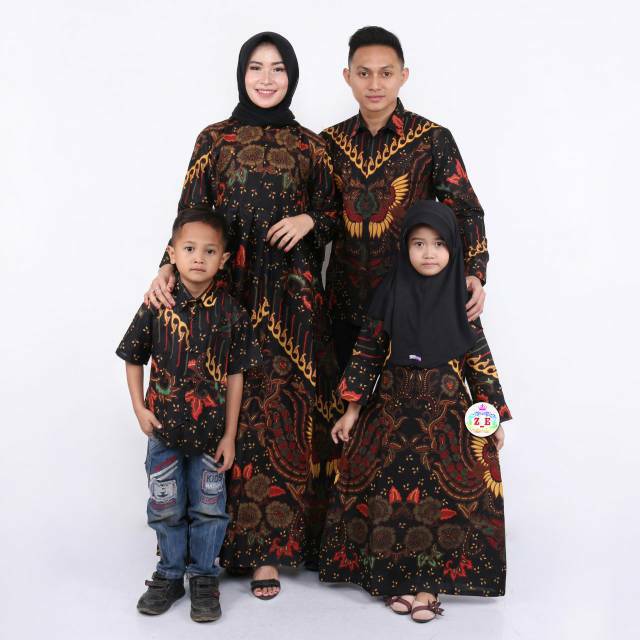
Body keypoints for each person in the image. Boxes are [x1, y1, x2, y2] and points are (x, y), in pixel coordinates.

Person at [143, 32, 338, 599]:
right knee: (217, 414)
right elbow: (190, 214)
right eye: (256, 67)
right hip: (220, 299)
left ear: (292, 77)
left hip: (290, 307)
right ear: (241, 74)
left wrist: (309, 221)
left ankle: (268, 554)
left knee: (278, 419)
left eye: (278, 69)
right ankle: (205, 550)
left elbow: (334, 212)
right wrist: (166, 268)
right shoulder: (214, 139)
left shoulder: (311, 146)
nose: (266, 79)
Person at [319, 200, 512, 623]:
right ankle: (396, 578)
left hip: (446, 418)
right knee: (391, 495)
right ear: (405, 247)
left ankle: (429, 583)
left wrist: (492, 416)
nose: (429, 253)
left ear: (453, 249)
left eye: (439, 244)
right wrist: (352, 410)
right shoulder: (390, 292)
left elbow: (478, 362)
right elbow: (367, 353)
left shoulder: (461, 301)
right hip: (392, 413)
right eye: (419, 243)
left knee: (441, 496)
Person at [116, 208, 261, 622]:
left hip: (211, 437)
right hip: (163, 432)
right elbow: (133, 357)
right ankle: (168, 575)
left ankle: (203, 578)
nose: (199, 258)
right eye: (190, 249)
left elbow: (236, 375)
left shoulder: (231, 313)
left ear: (224, 259)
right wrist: (139, 408)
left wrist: (230, 434)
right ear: (172, 253)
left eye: (209, 251)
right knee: (165, 506)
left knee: (210, 508)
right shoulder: (156, 304)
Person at [321, 26, 489, 371]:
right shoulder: (329, 143)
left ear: (403, 76)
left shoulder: (431, 139)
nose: (375, 84)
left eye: (386, 73)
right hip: (344, 304)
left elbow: (466, 210)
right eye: (364, 73)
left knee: (405, 401)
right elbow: (321, 215)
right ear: (347, 77)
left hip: (412, 301)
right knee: (343, 401)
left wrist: (475, 272)